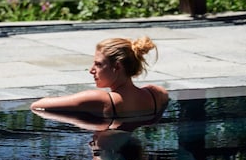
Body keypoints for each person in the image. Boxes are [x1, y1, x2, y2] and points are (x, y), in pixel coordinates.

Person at [31, 34, 168, 120]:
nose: (91, 70)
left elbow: (37, 105)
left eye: (98, 64)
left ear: (117, 67)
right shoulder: (157, 94)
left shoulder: (100, 100)